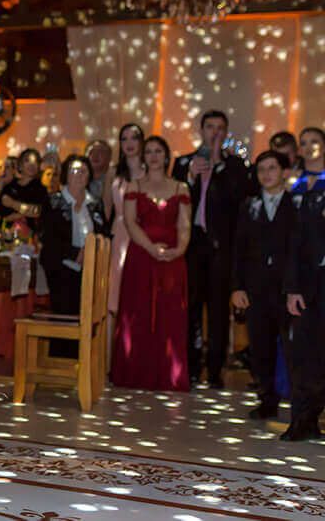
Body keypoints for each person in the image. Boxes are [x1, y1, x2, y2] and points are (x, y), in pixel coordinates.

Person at [172, 110, 248, 388]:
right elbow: (175, 203)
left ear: (226, 133)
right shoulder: (182, 163)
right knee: (191, 308)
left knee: (217, 311)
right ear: (201, 130)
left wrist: (217, 162)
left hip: (220, 248)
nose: (215, 132)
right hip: (191, 246)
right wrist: (191, 176)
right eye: (210, 127)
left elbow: (237, 203)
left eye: (220, 128)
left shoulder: (236, 167)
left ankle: (215, 371)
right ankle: (191, 366)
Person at [112, 136, 191, 392]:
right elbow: (130, 222)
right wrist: (151, 248)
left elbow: (184, 225)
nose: (154, 156)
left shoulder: (181, 187)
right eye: (150, 152)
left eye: (159, 151)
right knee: (138, 313)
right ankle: (134, 373)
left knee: (171, 315)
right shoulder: (134, 185)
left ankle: (170, 374)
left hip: (172, 260)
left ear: (167, 156)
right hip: (141, 258)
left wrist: (178, 250)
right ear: (144, 157)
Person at [230, 151, 298, 421]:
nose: (267, 174)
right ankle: (267, 399)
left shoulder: (296, 205)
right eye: (262, 170)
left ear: (284, 172)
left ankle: (301, 405)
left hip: (287, 289)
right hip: (256, 289)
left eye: (272, 168)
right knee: (260, 347)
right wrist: (237, 287)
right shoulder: (249, 205)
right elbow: (239, 249)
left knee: (294, 349)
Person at [39, 155, 107, 357]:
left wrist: (91, 252)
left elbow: (104, 233)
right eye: (74, 170)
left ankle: (83, 363)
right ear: (66, 175)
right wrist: (75, 253)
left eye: (83, 171)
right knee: (63, 315)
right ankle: (60, 363)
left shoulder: (95, 204)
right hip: (61, 268)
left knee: (85, 316)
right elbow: (47, 237)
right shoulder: (53, 201)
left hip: (90, 269)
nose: (79, 175)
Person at [283, 183, 325, 441]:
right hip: (312, 290)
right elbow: (295, 245)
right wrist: (292, 289)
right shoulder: (312, 198)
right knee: (305, 358)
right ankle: (302, 420)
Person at [104, 124, 145, 345]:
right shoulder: (113, 172)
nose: (129, 143)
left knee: (140, 295)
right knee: (115, 297)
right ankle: (112, 355)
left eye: (134, 138)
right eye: (124, 138)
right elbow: (105, 211)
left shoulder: (150, 170)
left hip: (143, 235)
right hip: (119, 236)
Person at [0, 148, 49, 237]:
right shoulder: (10, 186)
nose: (31, 164)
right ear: (20, 165)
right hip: (6, 235)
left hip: (30, 238)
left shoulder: (40, 188)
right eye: (27, 160)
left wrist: (13, 204)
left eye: (35, 161)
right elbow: (0, 214)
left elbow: (36, 211)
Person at [292, 126, 325, 195]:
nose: (308, 147)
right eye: (303, 143)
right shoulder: (293, 180)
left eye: (314, 142)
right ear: (299, 149)